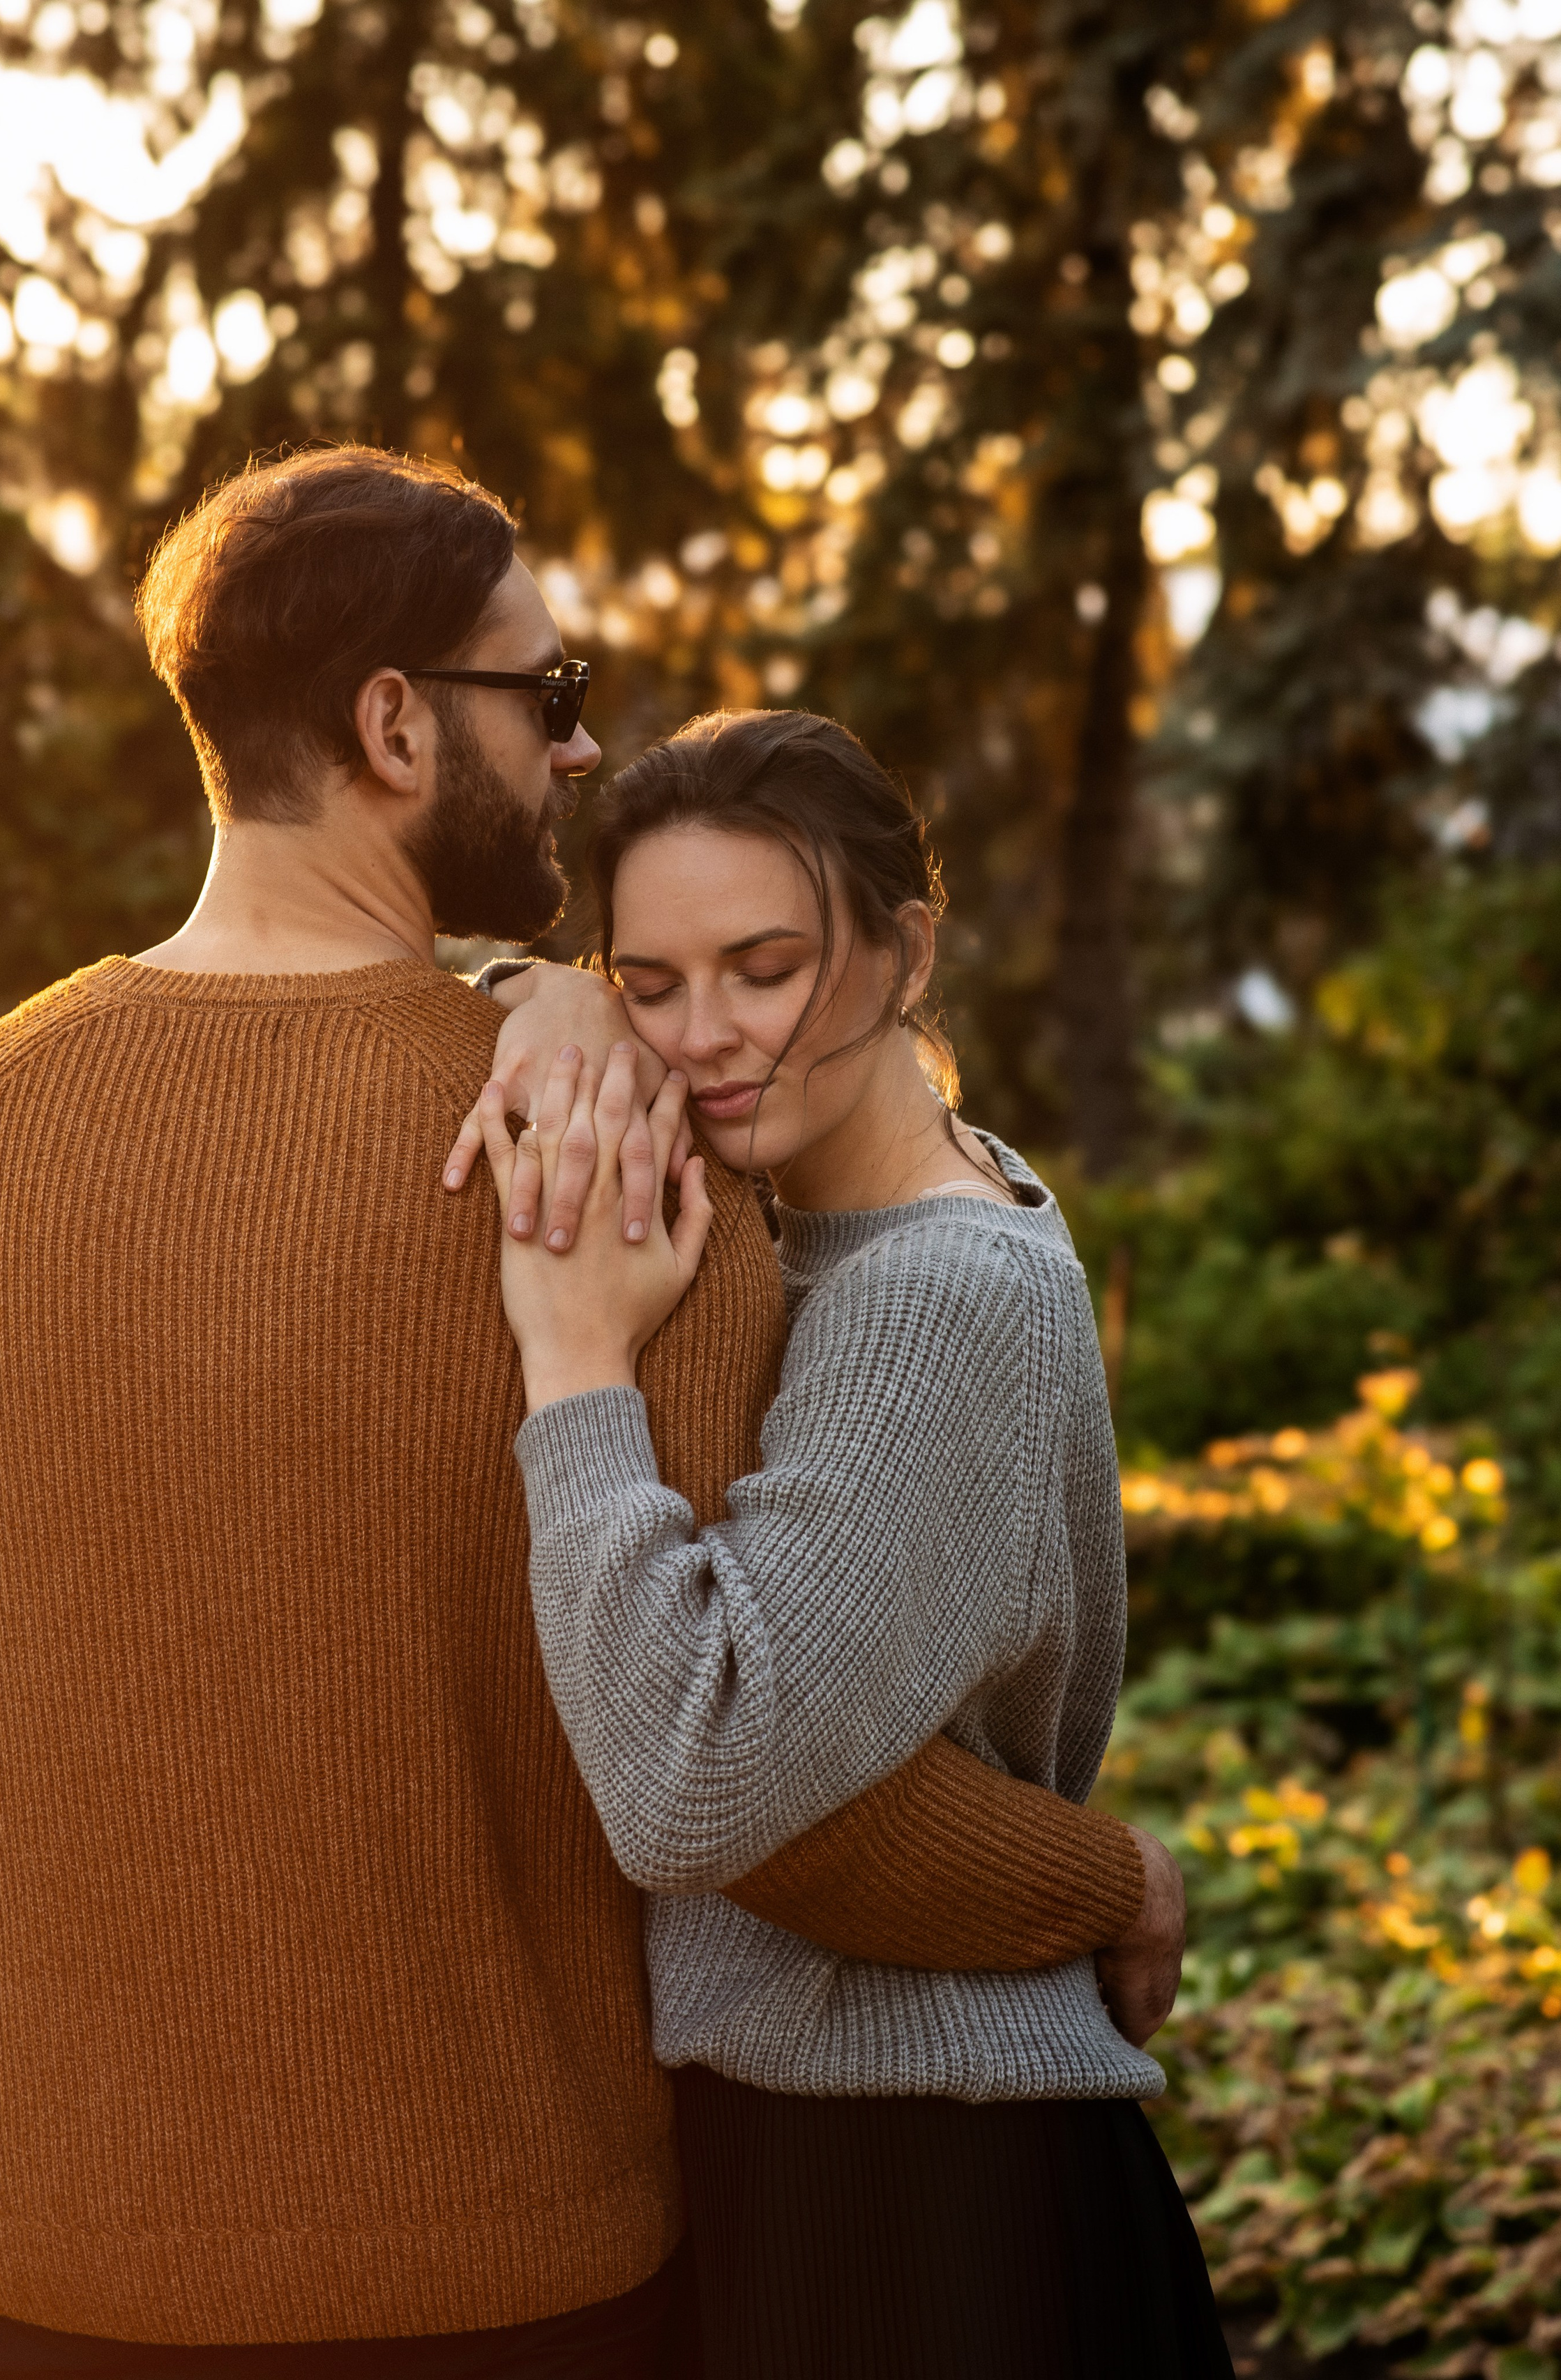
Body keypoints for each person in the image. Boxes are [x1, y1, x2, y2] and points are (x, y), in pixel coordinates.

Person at [0, 448, 1175, 2379]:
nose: (586, 754)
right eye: (551, 698)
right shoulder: (615, 1172)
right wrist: (1109, 1879)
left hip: (48, 2290)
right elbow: (764, 1799)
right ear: (393, 721)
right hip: (529, 2286)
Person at [471, 706, 1234, 2378]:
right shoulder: (871, 1211)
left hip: (914, 2179)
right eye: (650, 982)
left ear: (904, 949)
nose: (703, 1037)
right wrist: (541, 990)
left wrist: (576, 1361)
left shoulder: (926, 1299)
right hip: (856, 2135)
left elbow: (701, 1776)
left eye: (764, 966)